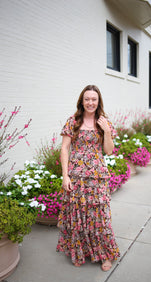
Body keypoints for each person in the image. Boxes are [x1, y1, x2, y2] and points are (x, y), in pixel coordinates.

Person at [56, 85, 120, 271]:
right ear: (82, 101)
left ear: (98, 101)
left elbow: (108, 151)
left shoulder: (104, 122)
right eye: (87, 99)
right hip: (76, 177)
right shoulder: (73, 122)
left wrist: (106, 131)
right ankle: (80, 251)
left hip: (97, 177)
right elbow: (64, 149)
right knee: (78, 216)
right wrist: (65, 175)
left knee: (99, 217)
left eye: (94, 99)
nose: (90, 102)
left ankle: (105, 254)